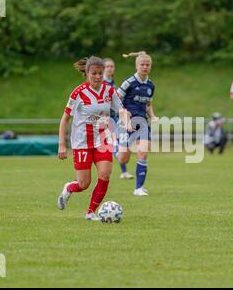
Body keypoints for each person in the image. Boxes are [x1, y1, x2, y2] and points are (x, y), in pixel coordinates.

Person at [57, 56, 130, 221]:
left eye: (100, 73)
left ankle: (90, 212)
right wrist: (62, 145)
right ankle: (69, 188)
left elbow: (121, 110)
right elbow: (65, 119)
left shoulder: (109, 91)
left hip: (103, 139)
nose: (98, 76)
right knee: (83, 184)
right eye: (94, 73)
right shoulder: (78, 93)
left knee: (105, 175)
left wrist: (127, 121)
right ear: (86, 73)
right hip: (81, 142)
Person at [117, 51, 158, 196]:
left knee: (143, 153)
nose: (145, 67)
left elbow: (148, 104)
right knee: (123, 158)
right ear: (137, 66)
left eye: (148, 65)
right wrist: (124, 115)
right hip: (126, 123)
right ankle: (116, 148)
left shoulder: (151, 86)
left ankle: (138, 188)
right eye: (142, 64)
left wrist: (152, 116)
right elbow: (116, 100)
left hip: (142, 123)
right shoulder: (129, 82)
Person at [103, 57, 134, 180]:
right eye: (107, 66)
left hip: (115, 116)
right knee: (116, 143)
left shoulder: (112, 82)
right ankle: (122, 169)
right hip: (106, 118)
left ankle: (123, 171)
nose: (110, 68)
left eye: (112, 66)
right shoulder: (102, 83)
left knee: (120, 141)